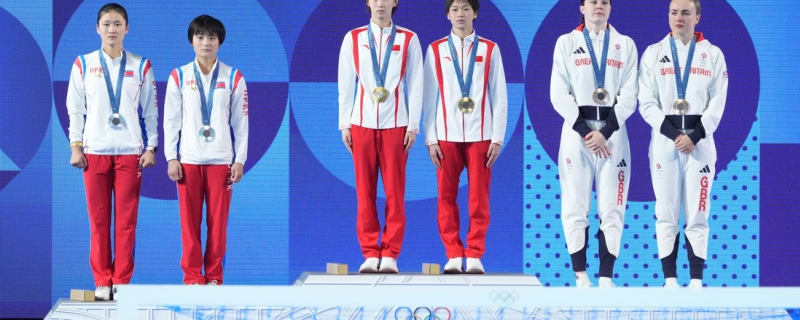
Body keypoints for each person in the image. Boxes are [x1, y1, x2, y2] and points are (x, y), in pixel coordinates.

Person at [66, 2, 158, 300]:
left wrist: (152, 145)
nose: (112, 29)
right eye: (106, 24)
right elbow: (75, 110)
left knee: (126, 221)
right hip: (94, 151)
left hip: (131, 153)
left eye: (118, 24)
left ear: (127, 28)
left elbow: (151, 111)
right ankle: (102, 281)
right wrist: (76, 145)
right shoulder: (83, 64)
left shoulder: (140, 65)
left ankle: (122, 282)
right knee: (98, 220)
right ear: (97, 28)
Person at [638, 0, 727, 288]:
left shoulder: (713, 55)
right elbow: (646, 102)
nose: (679, 18)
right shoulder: (654, 53)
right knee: (666, 211)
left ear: (697, 18)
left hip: (700, 143)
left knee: (698, 212)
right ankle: (670, 280)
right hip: (666, 143)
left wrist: (695, 135)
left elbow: (718, 102)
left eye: (686, 12)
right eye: (674, 12)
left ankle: (697, 281)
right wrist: (675, 134)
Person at [550, 0, 638, 287]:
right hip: (577, 136)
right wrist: (587, 132)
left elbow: (629, 96)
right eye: (593, 2)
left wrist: (606, 131)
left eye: (604, 2)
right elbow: (558, 93)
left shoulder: (625, 44)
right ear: (581, 7)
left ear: (610, 8)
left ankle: (606, 276)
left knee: (613, 206)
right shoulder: (566, 42)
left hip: (613, 136)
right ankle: (580, 275)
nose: (599, 6)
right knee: (575, 203)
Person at [338, 0, 423, 273]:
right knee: (364, 193)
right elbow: (345, 83)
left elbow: (417, 84)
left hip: (396, 125)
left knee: (395, 194)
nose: (380, 4)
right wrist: (344, 124)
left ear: (395, 2)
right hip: (361, 123)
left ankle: (390, 254)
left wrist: (413, 126)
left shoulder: (409, 38)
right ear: (368, 2)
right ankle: (369, 252)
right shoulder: (353, 38)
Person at [422, 0, 507, 274]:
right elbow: (428, 96)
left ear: (476, 13)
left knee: (479, 197)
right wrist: (430, 138)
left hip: (481, 134)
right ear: (448, 14)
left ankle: (474, 254)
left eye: (466, 8)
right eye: (455, 9)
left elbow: (500, 95)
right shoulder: (435, 50)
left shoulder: (490, 49)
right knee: (445, 196)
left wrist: (497, 137)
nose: (461, 14)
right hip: (446, 135)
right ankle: (452, 254)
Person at [164, 15, 248, 285]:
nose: (206, 42)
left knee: (218, 225)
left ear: (220, 42)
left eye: (212, 37)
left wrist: (240, 159)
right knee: (189, 227)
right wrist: (171, 157)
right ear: (191, 41)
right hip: (188, 160)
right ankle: (191, 278)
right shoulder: (179, 76)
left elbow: (241, 121)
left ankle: (213, 277)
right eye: (200, 37)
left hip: (221, 160)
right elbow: (171, 120)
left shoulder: (233, 76)